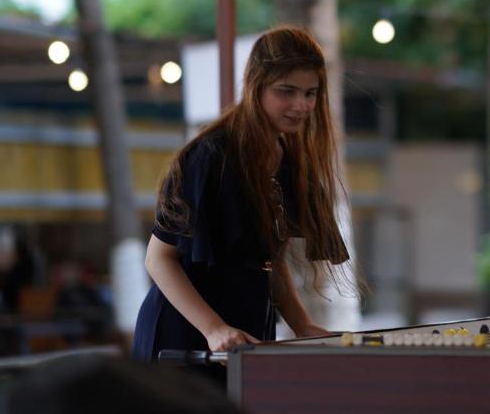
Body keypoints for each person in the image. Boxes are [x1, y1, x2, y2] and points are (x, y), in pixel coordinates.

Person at [132, 25, 351, 361]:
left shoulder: (287, 157)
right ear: (255, 85)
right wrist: (213, 328)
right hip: (184, 336)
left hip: (244, 329)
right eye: (287, 91)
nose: (301, 105)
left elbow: (270, 259)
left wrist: (302, 324)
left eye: (310, 93)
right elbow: (157, 258)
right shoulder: (211, 156)